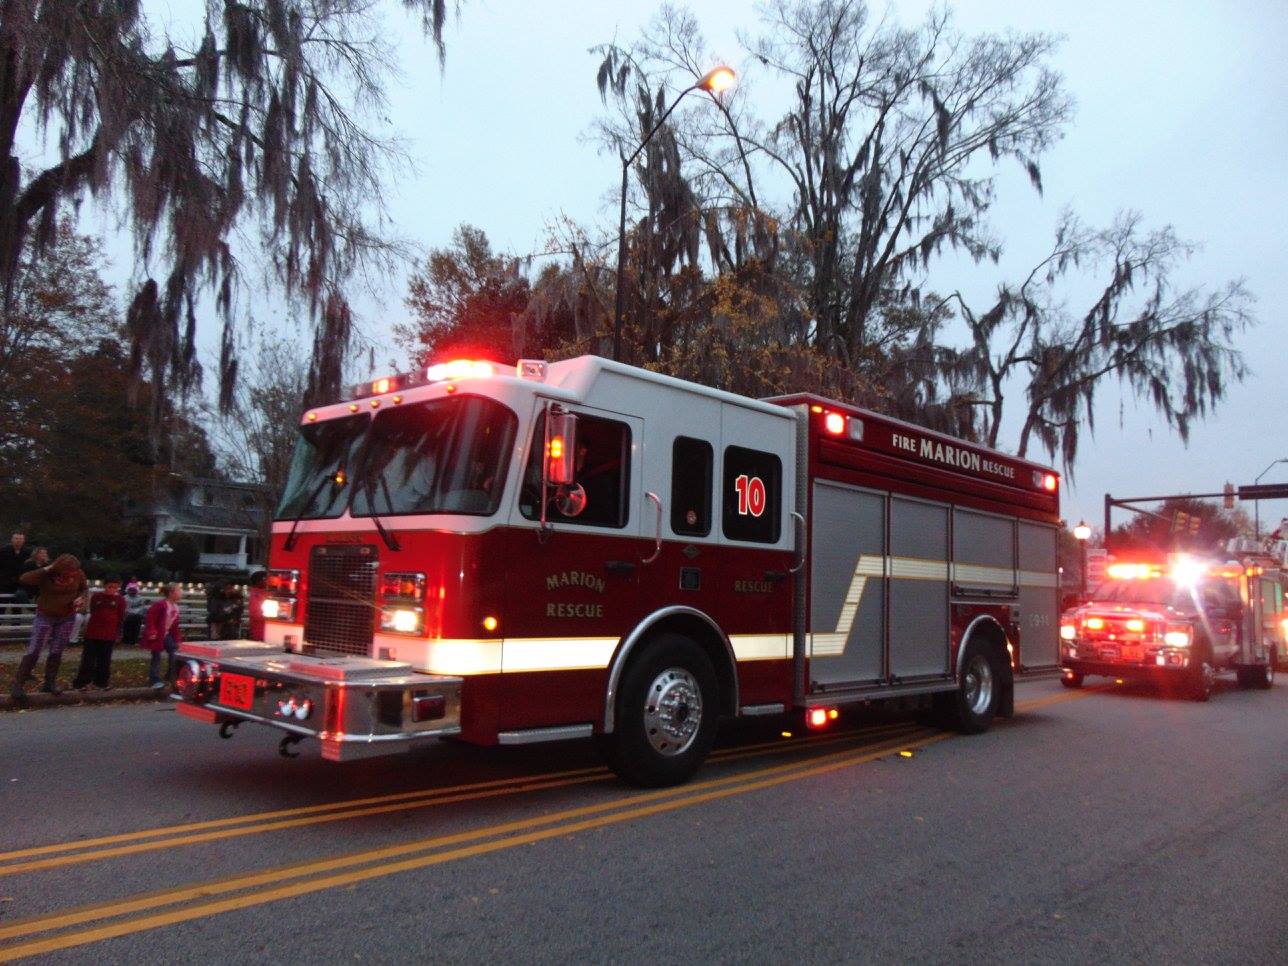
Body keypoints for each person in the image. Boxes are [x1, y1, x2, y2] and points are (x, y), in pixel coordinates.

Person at [11, 554, 87, 702]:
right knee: (35, 649)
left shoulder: (79, 574)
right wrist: (47, 568)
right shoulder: (47, 575)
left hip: (67, 616)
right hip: (46, 615)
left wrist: (81, 598)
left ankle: (50, 681)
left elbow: (83, 589)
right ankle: (18, 684)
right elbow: (25, 579)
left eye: (75, 571)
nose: (73, 574)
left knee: (57, 649)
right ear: (60, 569)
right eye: (69, 571)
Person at [72, 576, 127, 691]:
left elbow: (121, 617)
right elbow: (93, 610)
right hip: (93, 633)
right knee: (88, 659)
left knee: (104, 660)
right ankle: (82, 682)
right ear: (104, 586)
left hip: (109, 634)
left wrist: (118, 633)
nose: (112, 589)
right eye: (109, 587)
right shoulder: (97, 597)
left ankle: (101, 682)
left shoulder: (120, 600)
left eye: (115, 587)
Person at [142, 583, 184, 689]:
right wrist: (151, 632)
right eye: (178, 591)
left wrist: (177, 639)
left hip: (166, 634)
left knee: (174, 652)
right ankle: (154, 679)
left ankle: (171, 675)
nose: (180, 593)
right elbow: (150, 618)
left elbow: (174, 626)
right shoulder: (161, 605)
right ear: (171, 593)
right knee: (156, 657)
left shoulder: (175, 607)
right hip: (157, 635)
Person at [0, 531, 30, 601]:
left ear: (24, 540)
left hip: (20, 583)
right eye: (16, 538)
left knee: (17, 606)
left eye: (20, 539)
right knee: (2, 605)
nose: (18, 541)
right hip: (4, 583)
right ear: (12, 540)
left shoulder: (28, 552)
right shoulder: (3, 551)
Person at [121, 580, 147, 647]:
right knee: (127, 628)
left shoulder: (140, 598)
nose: (132, 591)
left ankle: (134, 641)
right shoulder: (124, 598)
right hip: (127, 616)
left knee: (136, 628)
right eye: (131, 589)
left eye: (134, 589)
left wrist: (137, 613)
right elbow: (125, 608)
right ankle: (126, 641)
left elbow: (142, 608)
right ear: (128, 590)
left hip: (137, 616)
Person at [247, 571, 267, 641]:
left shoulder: (261, 593)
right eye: (265, 579)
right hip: (260, 632)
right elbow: (256, 614)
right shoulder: (255, 595)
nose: (267, 581)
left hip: (263, 630)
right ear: (258, 581)